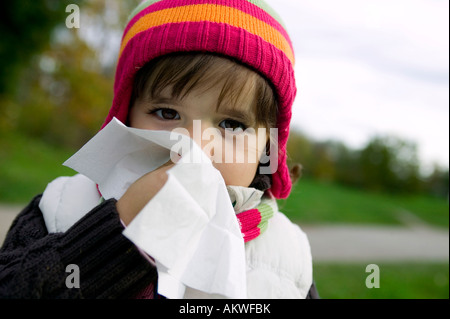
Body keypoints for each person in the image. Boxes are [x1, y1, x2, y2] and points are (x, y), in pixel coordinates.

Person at [0, 0, 319, 299]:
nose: (195, 147)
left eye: (232, 125)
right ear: (124, 115)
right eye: (167, 113)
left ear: (268, 147)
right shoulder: (61, 208)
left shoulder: (287, 258)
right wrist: (117, 230)